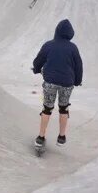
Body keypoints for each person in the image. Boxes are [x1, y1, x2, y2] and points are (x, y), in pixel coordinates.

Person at [32, 19, 83, 149]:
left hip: (50, 82)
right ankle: (61, 137)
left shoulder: (49, 45)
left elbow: (38, 60)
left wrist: (37, 69)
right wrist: (77, 81)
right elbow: (78, 66)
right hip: (67, 83)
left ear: (57, 31)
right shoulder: (73, 48)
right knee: (63, 108)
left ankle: (40, 137)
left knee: (47, 108)